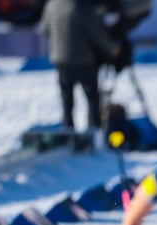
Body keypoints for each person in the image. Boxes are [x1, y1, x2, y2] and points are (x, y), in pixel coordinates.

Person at [40, 0, 120, 131]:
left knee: (67, 101)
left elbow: (45, 28)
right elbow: (97, 34)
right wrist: (112, 48)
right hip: (83, 60)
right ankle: (94, 132)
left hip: (60, 59)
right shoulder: (82, 7)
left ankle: (68, 132)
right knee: (93, 99)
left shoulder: (52, 4)